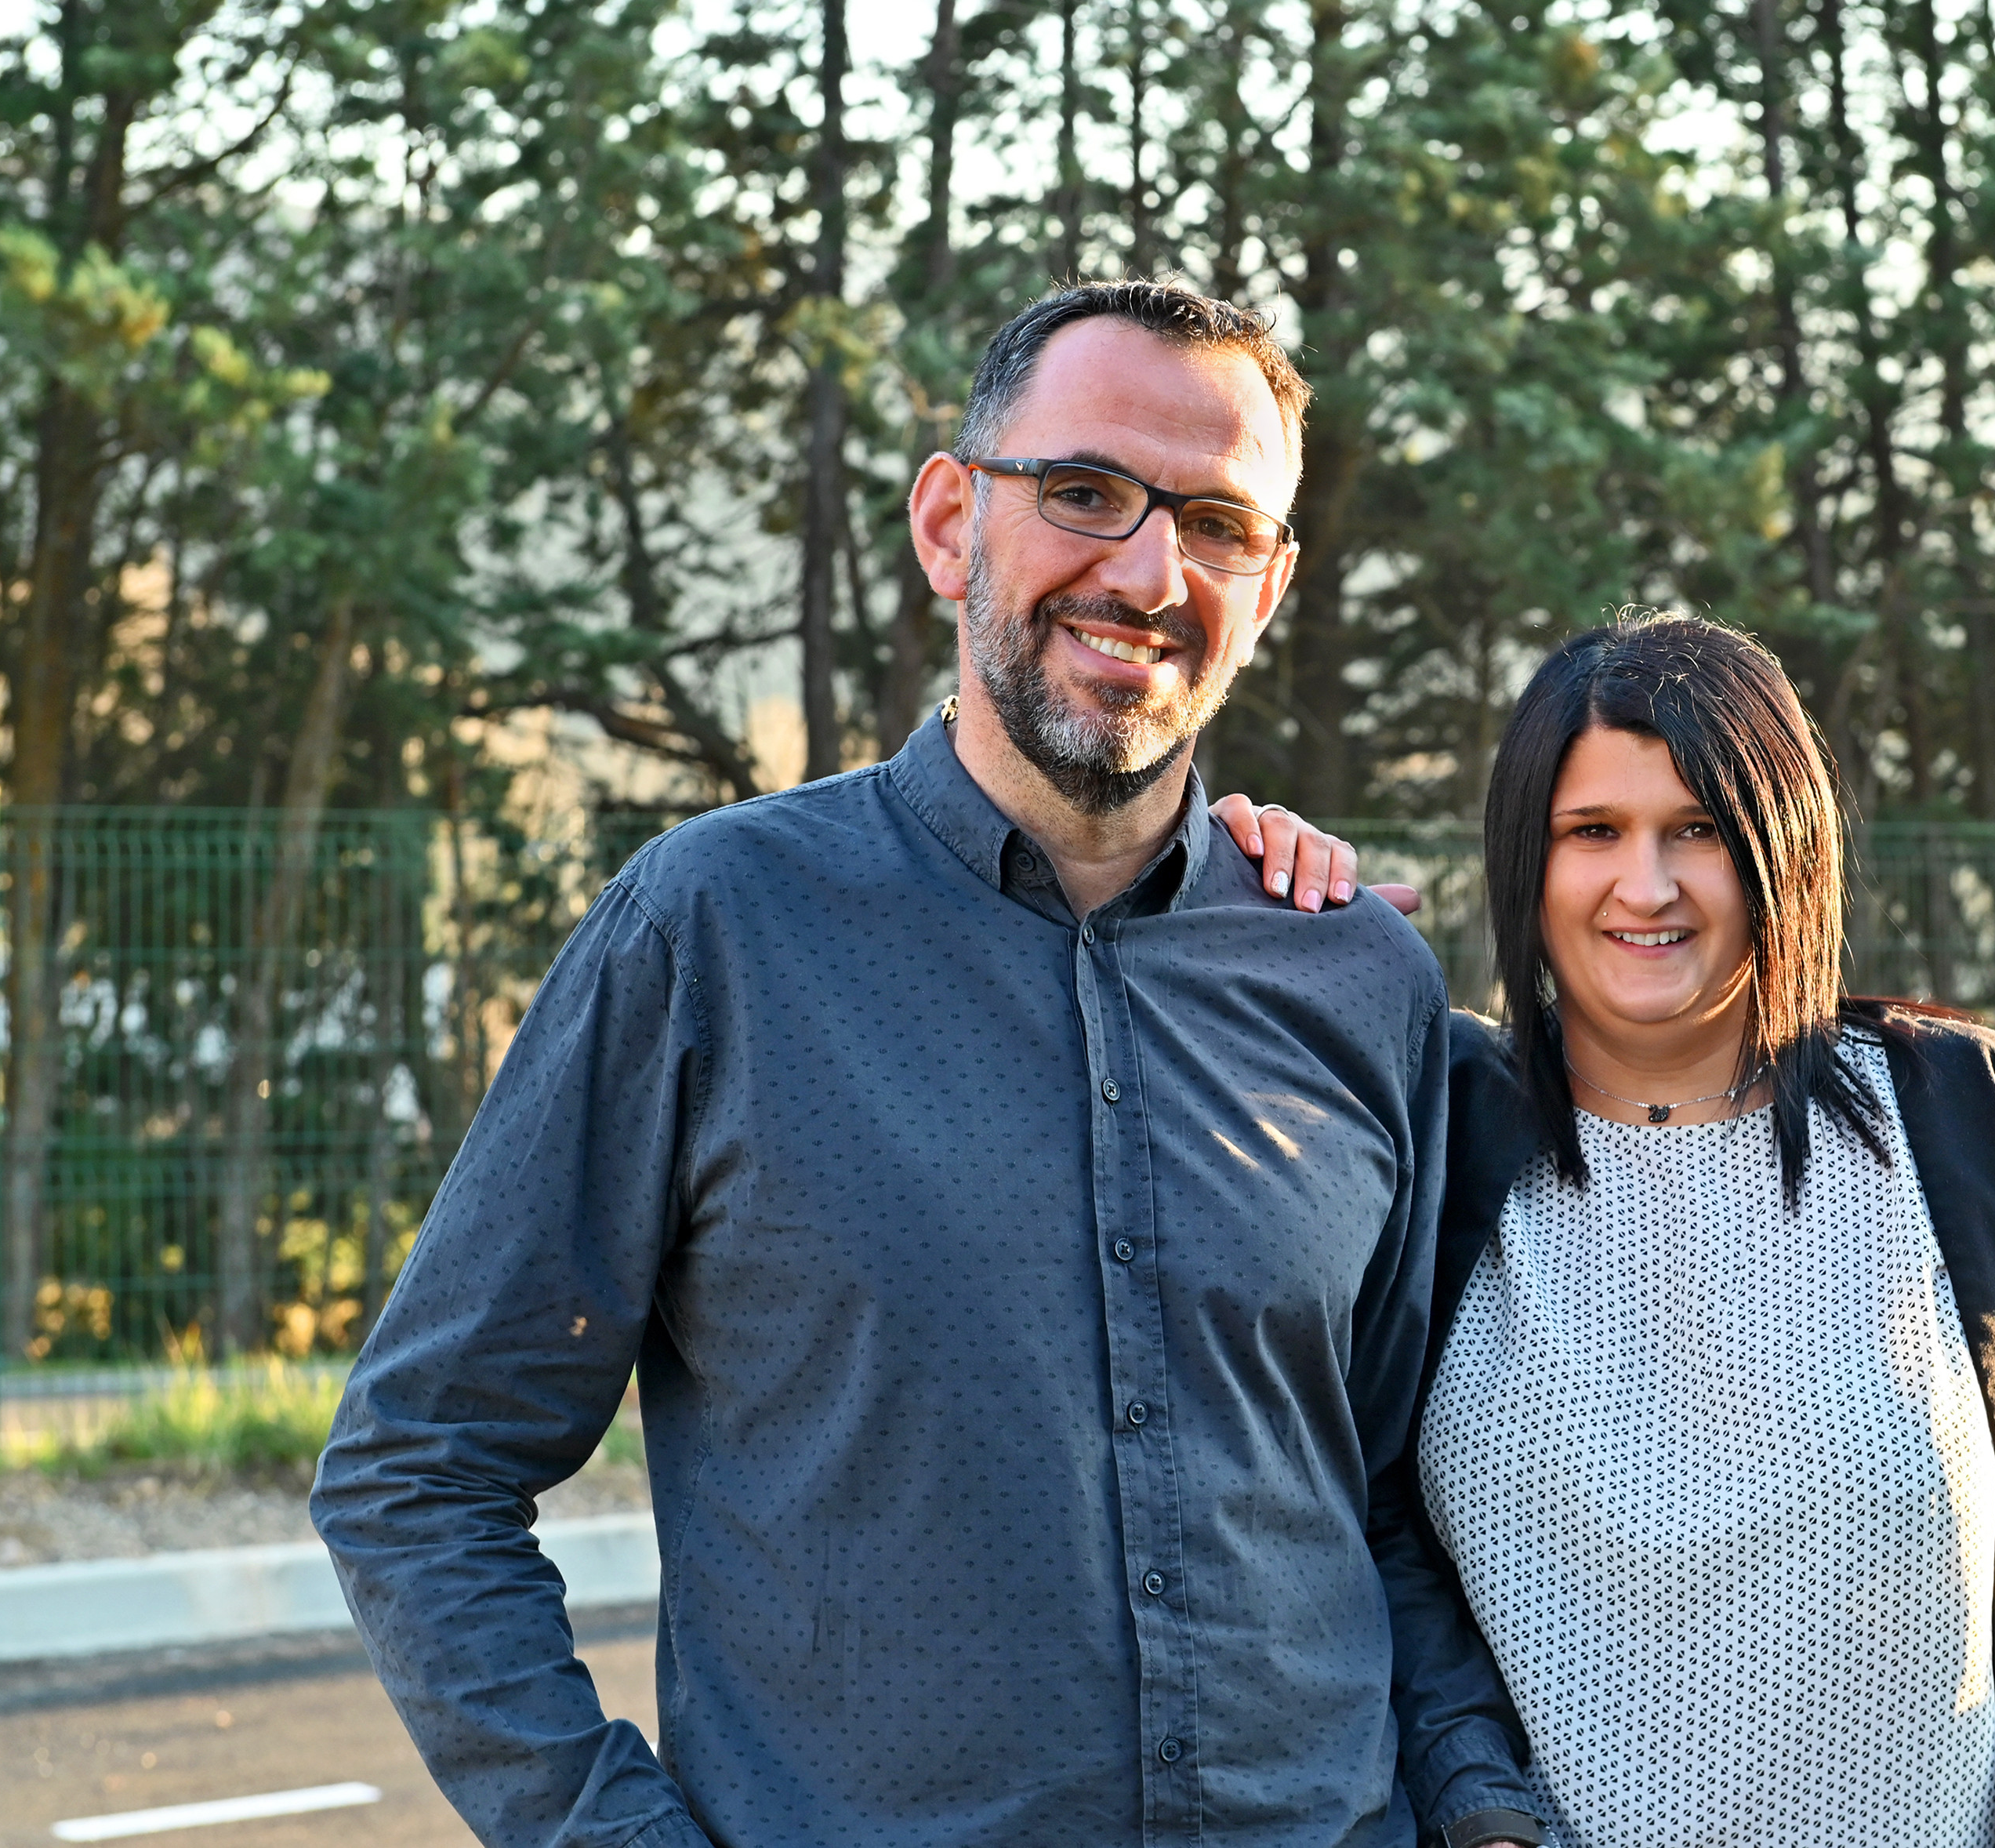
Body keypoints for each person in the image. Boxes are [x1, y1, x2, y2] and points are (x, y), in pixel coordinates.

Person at [311, 280, 1543, 1848]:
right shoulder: (711, 931)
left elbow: (1379, 1495)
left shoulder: (1357, 976)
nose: (1148, 571)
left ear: (1272, 582)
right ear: (953, 524)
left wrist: (1482, 1806)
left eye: (1218, 524)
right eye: (1085, 491)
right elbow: (420, 1471)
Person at [1217, 613, 1995, 1848]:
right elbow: (1336, 1537)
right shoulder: (1420, 1138)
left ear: (1787, 845)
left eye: (1701, 830)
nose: (1647, 885)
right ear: (1526, 857)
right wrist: (1223, 909)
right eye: (1592, 831)